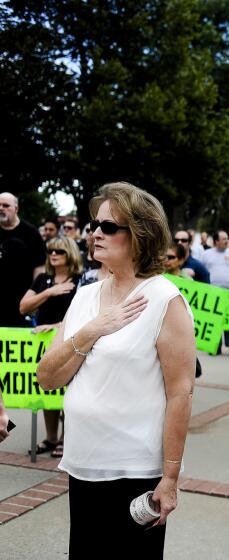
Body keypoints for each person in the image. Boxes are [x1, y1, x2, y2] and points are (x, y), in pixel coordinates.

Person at [36, 181, 196, 558]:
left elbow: (181, 393)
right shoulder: (85, 296)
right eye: (95, 224)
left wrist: (169, 479)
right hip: (83, 464)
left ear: (140, 234)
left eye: (109, 227)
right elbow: (47, 377)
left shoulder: (164, 300)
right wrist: (94, 328)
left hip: (135, 472)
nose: (95, 233)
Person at [19, 236, 84, 458]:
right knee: (47, 389)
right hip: (44, 342)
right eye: (50, 251)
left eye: (59, 251)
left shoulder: (80, 280)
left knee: (67, 391)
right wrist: (49, 292)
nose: (53, 254)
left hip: (70, 341)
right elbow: (24, 307)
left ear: (70, 254)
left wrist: (55, 326)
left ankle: (67, 439)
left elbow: (84, 315)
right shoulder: (43, 279)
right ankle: (51, 437)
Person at [0, 192, 46, 327]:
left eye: (6, 205)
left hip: (21, 300)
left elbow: (39, 269)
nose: (1, 208)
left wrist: (34, 296)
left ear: (16, 208)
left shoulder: (31, 233)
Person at [201, 230, 229, 356]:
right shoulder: (206, 254)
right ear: (216, 241)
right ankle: (216, 345)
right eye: (224, 239)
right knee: (214, 320)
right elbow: (201, 271)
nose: (227, 241)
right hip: (212, 292)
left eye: (227, 238)